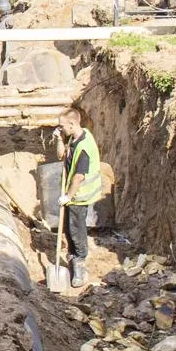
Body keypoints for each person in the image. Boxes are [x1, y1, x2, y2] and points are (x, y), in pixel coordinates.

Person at [55, 108, 102, 287]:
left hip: (79, 195)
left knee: (76, 230)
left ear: (72, 124)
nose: (61, 129)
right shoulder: (73, 139)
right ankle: (72, 256)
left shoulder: (84, 147)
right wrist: (60, 138)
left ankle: (80, 265)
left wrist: (68, 196)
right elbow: (61, 156)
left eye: (62, 126)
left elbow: (79, 176)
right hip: (73, 193)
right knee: (69, 229)